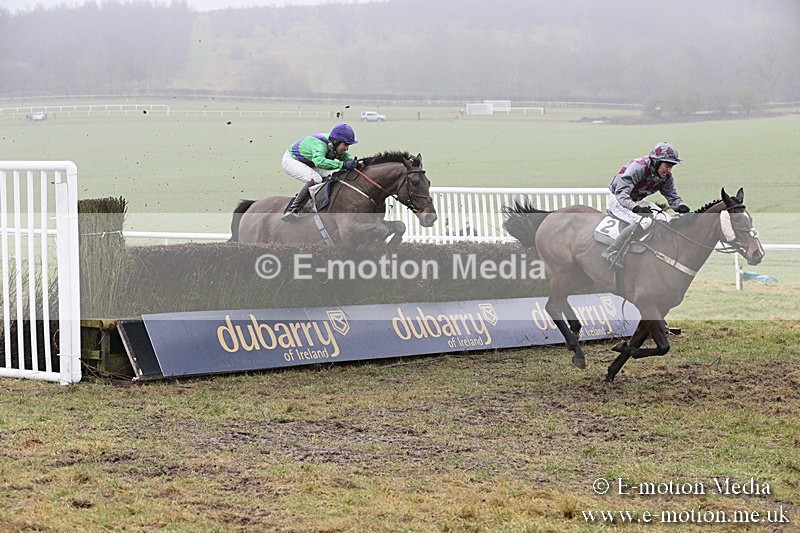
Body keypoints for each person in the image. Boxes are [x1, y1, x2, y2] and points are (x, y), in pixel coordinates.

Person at [601, 141, 691, 266]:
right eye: (667, 165)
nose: (669, 170)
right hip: (618, 198)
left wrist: (680, 205)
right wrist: (635, 208)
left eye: (672, 166)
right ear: (656, 161)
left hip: (636, 200)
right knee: (645, 221)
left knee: (664, 218)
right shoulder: (638, 168)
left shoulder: (666, 177)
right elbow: (621, 194)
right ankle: (611, 251)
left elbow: (672, 195)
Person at [281, 123, 359, 220]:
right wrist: (342, 165)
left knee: (332, 175)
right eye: (346, 144)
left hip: (310, 162)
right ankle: (292, 209)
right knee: (316, 179)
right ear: (336, 141)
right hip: (292, 160)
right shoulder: (320, 145)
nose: (347, 148)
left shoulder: (334, 145)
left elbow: (346, 157)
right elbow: (319, 162)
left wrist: (354, 163)